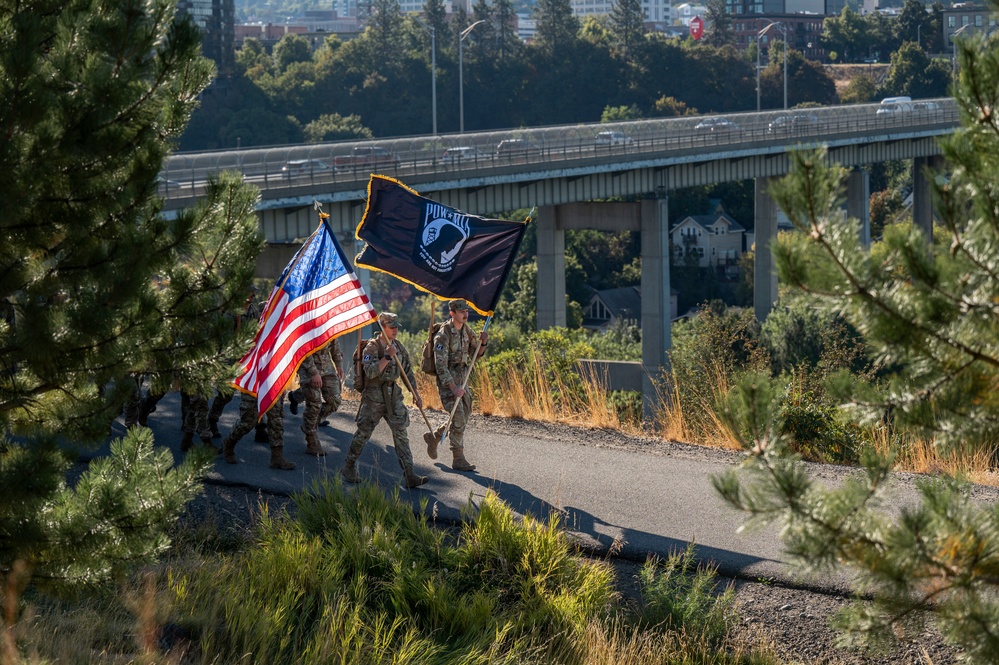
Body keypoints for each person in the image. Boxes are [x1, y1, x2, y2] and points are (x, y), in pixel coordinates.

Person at [341, 312, 427, 488]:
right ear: (382, 327)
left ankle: (410, 474)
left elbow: (407, 373)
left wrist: (416, 394)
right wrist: (387, 356)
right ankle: (349, 466)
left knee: (401, 432)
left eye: (396, 327)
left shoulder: (399, 347)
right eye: (391, 327)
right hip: (373, 396)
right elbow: (371, 372)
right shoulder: (372, 348)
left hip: (393, 395)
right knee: (364, 432)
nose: (395, 330)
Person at [430, 299, 487, 472]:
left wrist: (483, 343)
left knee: (465, 412)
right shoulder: (443, 335)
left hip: (462, 377)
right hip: (448, 380)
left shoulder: (467, 331)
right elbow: (440, 365)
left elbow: (476, 354)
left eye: (466, 311)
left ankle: (437, 435)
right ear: (452, 313)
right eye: (461, 311)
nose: (465, 314)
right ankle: (458, 458)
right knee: (459, 416)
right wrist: (453, 387)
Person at [221, 391, 295, 470]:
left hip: (272, 384)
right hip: (253, 386)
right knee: (247, 423)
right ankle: (229, 444)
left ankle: (277, 457)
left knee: (276, 420)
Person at [297, 338, 343, 456]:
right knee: (314, 404)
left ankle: (309, 424)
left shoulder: (327, 320)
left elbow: (334, 343)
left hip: (326, 365)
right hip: (308, 367)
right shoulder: (306, 322)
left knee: (335, 400)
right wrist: (314, 373)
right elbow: (304, 349)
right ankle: (311, 442)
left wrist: (338, 364)